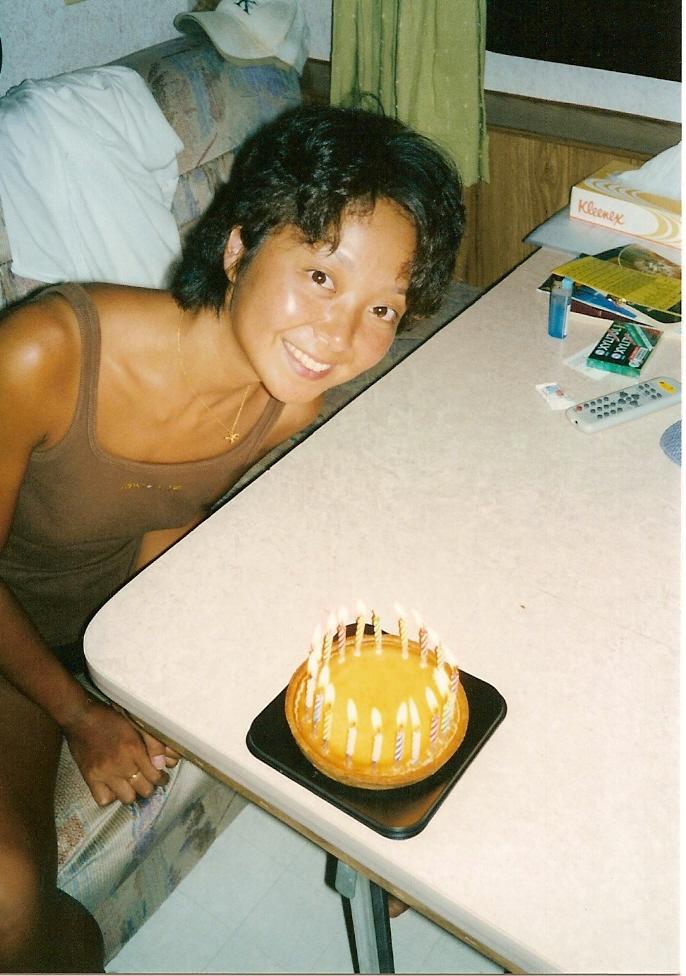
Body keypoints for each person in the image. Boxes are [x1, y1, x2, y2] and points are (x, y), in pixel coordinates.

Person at [0, 103, 464, 972]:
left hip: (100, 624)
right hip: (15, 645)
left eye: (382, 307)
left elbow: (166, 512)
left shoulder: (289, 401)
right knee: (8, 900)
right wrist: (79, 711)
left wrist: (155, 674)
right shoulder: (43, 353)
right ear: (239, 247)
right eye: (321, 276)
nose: (340, 337)